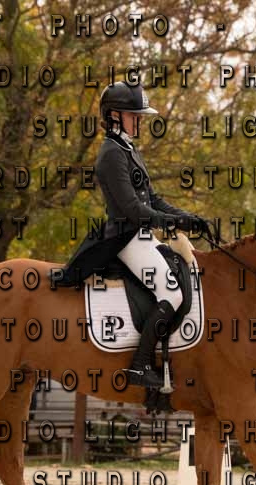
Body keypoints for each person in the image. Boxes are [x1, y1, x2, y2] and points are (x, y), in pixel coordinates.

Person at [56, 81, 213, 389]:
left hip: (140, 235)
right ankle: (139, 367)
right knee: (172, 293)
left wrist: (188, 218)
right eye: (134, 115)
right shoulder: (111, 154)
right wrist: (174, 223)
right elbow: (133, 210)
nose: (139, 121)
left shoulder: (128, 149)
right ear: (114, 115)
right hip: (125, 237)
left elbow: (152, 199)